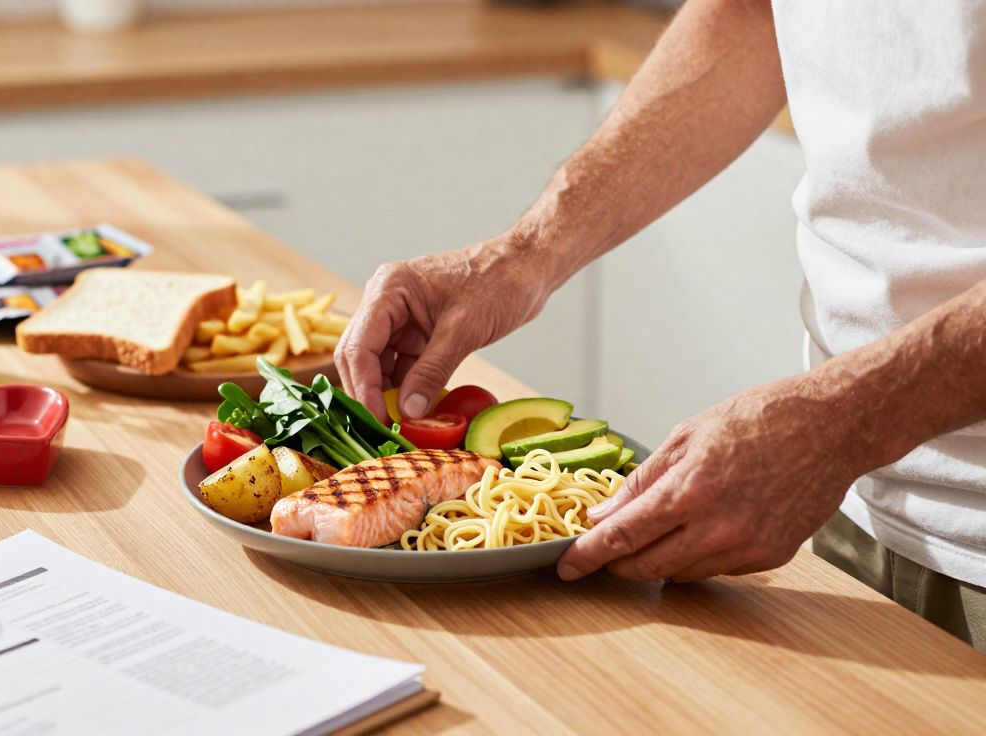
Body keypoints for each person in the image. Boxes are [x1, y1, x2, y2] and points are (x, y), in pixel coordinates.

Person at [334, 0, 986, 650]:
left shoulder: (839, 431)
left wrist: (840, 421)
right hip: (852, 507)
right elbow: (750, 14)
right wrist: (524, 254)